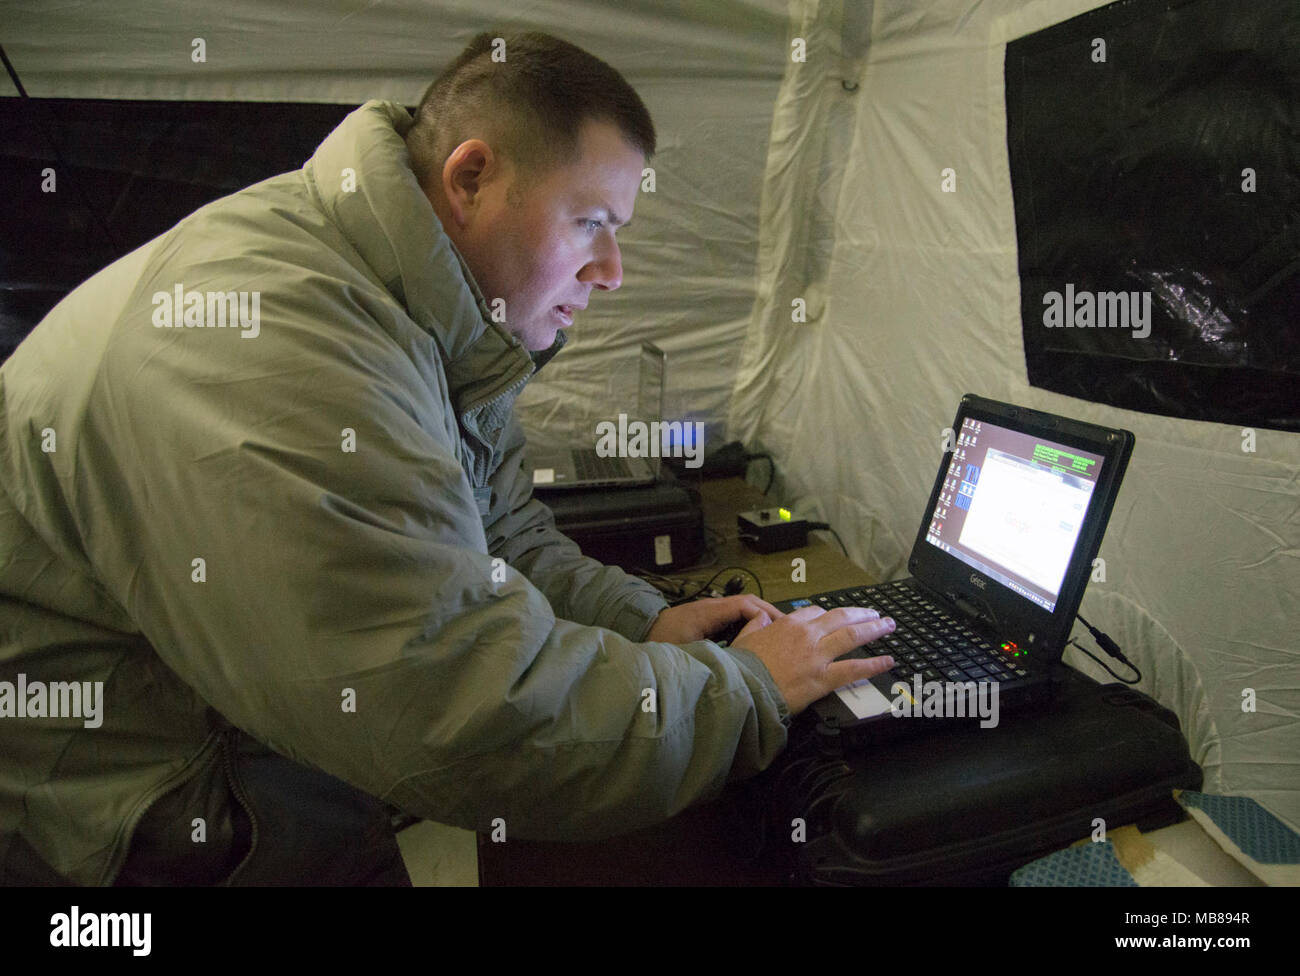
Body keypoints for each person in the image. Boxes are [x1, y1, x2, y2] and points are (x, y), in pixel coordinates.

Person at [0, 31, 894, 885]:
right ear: (470, 177)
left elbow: (494, 529)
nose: (613, 269)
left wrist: (640, 623)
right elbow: (456, 710)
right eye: (589, 222)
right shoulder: (290, 348)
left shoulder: (422, 305)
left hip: (227, 706)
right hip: (129, 786)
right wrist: (742, 693)